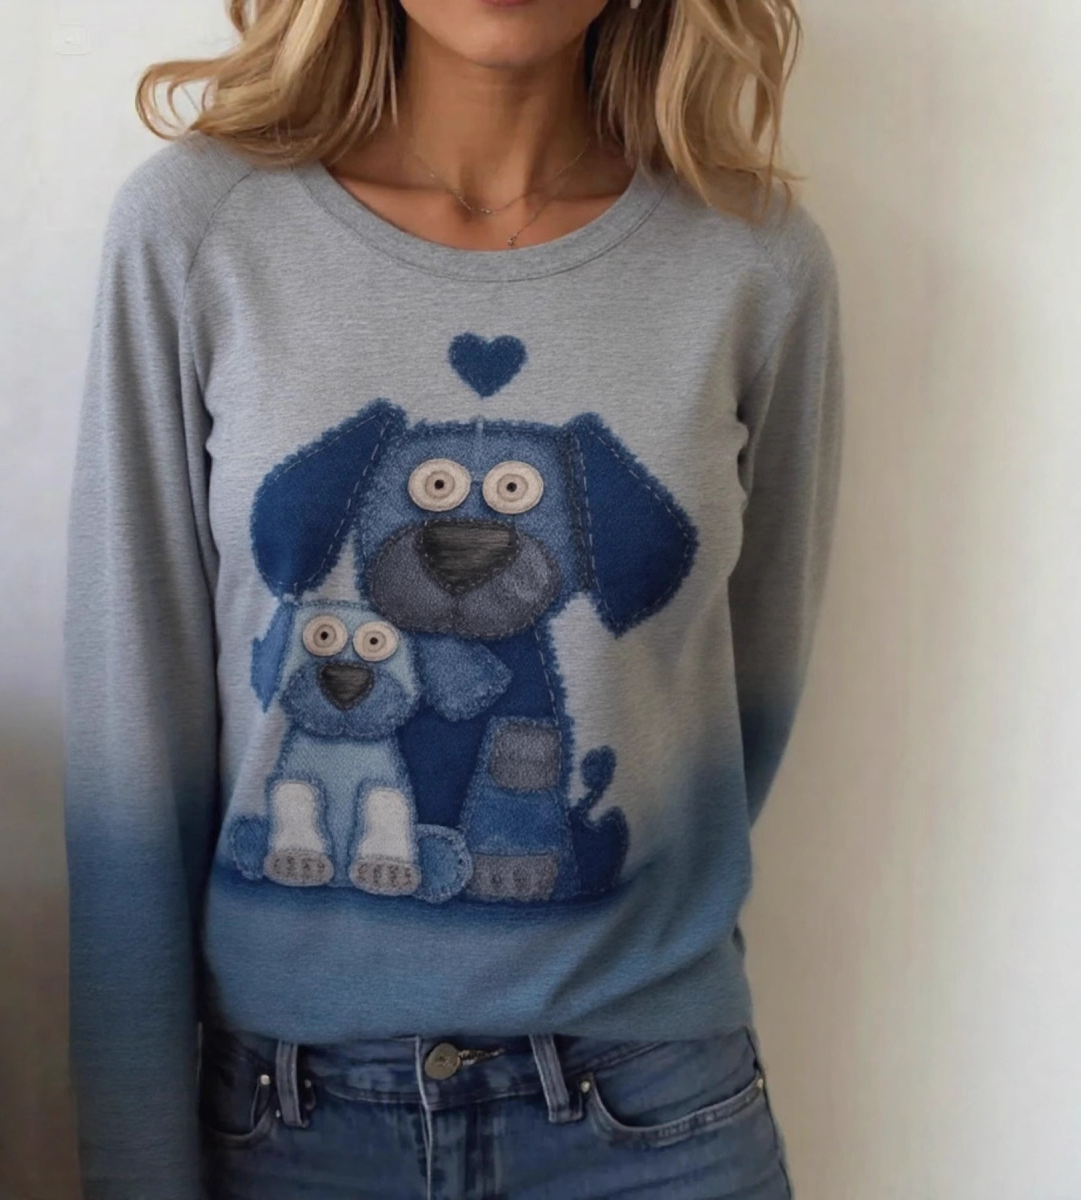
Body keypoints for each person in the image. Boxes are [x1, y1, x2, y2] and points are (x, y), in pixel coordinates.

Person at [61, 1, 844, 1197]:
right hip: (292, 1123)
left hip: (653, 1116)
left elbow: (742, 703)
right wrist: (133, 1161)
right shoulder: (199, 231)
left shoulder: (755, 261)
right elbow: (131, 727)